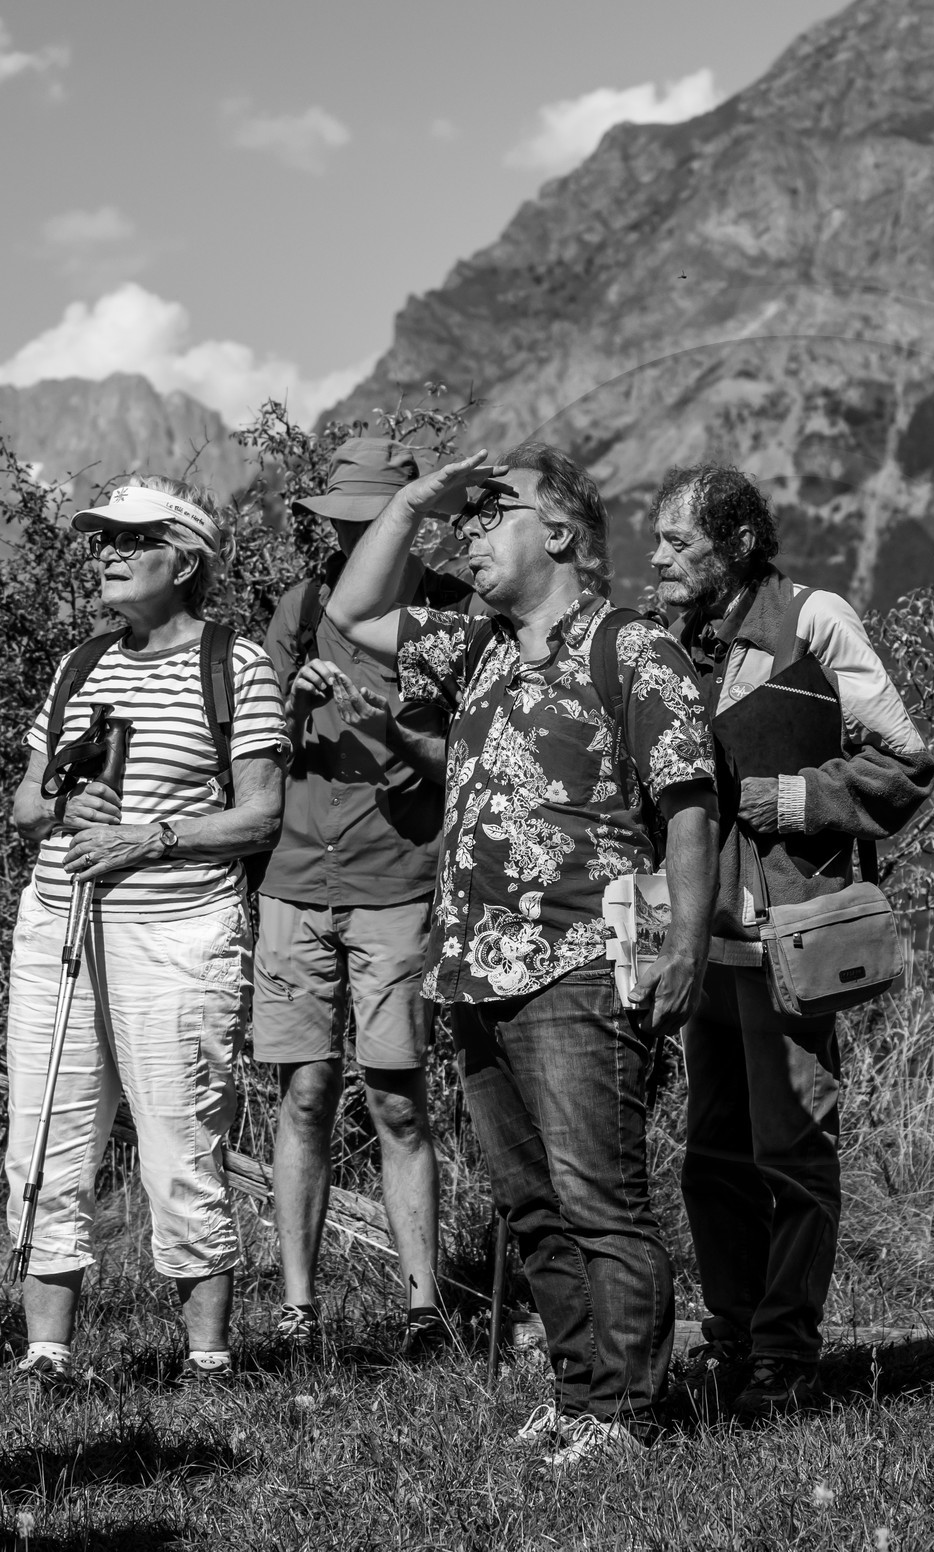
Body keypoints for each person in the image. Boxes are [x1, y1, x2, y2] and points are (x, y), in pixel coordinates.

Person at [325, 441, 718, 1466]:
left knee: (598, 1196)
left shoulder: (632, 647)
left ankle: (629, 1416)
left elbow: (688, 802)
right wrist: (417, 499)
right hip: (473, 967)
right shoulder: (474, 646)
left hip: (582, 957)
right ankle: (581, 1395)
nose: (472, 532)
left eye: (494, 515)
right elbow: (353, 615)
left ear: (560, 533)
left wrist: (686, 943)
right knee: (531, 1204)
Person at [650, 464, 933, 1421]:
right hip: (706, 934)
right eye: (655, 541)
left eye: (677, 544)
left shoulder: (815, 621)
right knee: (710, 1153)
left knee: (794, 1146)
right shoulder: (669, 640)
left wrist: (796, 798)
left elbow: (905, 762)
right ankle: (733, 1336)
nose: (657, 559)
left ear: (735, 546)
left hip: (788, 933)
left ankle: (785, 1353)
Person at [6, 476, 287, 1386]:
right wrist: (61, 802)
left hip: (177, 932)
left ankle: (207, 1364)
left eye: (131, 540)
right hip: (59, 920)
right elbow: (22, 808)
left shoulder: (236, 664)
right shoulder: (79, 663)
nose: (108, 554)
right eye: (102, 542)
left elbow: (259, 818)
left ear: (186, 559)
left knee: (179, 1137)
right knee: (45, 1132)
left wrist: (146, 838)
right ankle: (46, 1354)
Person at [254, 439, 473, 1355]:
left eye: (362, 516)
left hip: (396, 880)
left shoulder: (454, 615)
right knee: (303, 1094)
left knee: (397, 1098)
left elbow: (472, 763)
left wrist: (391, 725)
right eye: (338, 519)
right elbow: (254, 741)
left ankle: (422, 1308)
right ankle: (299, 1309)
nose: (346, 534)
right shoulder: (298, 610)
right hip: (295, 881)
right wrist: (293, 702)